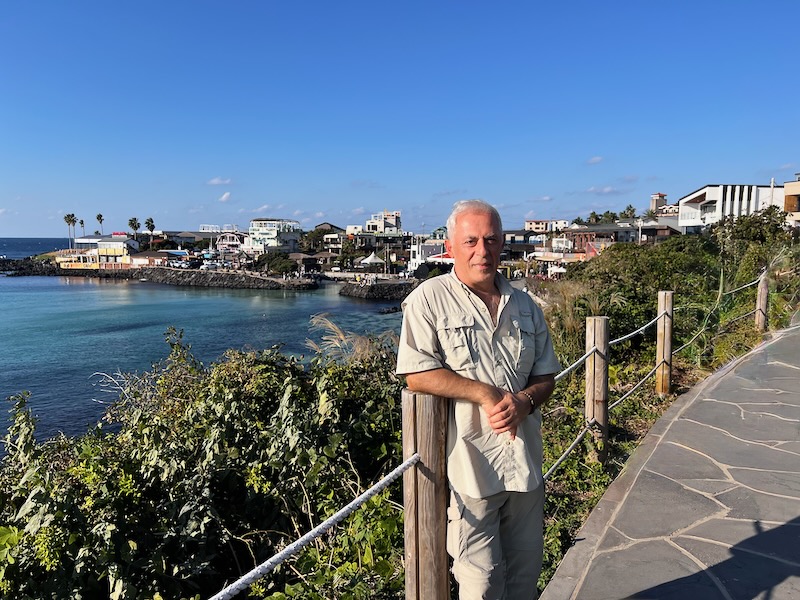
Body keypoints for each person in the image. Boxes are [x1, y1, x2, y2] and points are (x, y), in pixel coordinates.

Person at [396, 199, 560, 599]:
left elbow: (545, 376)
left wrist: (525, 401)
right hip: (470, 470)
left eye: (490, 240)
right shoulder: (428, 298)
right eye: (471, 241)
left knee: (524, 579)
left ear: (502, 243)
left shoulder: (525, 305)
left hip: (525, 466)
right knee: (480, 586)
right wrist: (483, 393)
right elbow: (415, 373)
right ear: (450, 246)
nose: (481, 251)